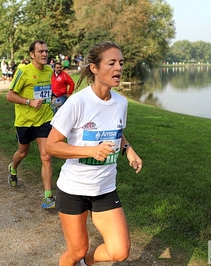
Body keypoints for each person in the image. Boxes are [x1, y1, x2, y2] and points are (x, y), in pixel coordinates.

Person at [45, 41, 143, 266]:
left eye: (121, 62)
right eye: (112, 63)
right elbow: (51, 145)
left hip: (105, 188)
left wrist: (128, 150)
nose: (118, 68)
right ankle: (77, 260)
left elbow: (117, 134)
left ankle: (85, 263)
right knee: (77, 249)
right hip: (74, 190)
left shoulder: (121, 103)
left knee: (120, 251)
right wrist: (91, 150)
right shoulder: (77, 102)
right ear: (95, 68)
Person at [6, 40, 55, 209]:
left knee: (46, 156)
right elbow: (10, 95)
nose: (44, 54)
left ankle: (48, 197)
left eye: (46, 51)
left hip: (44, 119)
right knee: (22, 153)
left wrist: (54, 100)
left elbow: (49, 93)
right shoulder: (23, 71)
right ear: (32, 55)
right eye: (40, 51)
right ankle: (13, 169)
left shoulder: (49, 71)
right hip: (25, 121)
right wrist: (29, 102)